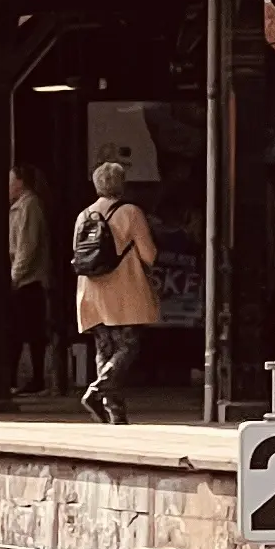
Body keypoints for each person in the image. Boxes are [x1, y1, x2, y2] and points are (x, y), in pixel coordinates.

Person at [73, 156, 160, 424]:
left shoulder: (84, 215)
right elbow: (148, 254)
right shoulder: (130, 212)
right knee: (128, 345)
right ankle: (98, 388)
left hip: (91, 289)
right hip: (124, 289)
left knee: (104, 348)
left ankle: (115, 412)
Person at [6, 160, 62, 395]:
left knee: (28, 331)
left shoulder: (29, 206)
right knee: (21, 331)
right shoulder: (21, 205)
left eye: (10, 180)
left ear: (20, 181)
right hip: (26, 278)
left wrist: (14, 277)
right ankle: (15, 377)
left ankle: (33, 378)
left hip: (30, 280)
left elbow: (27, 247)